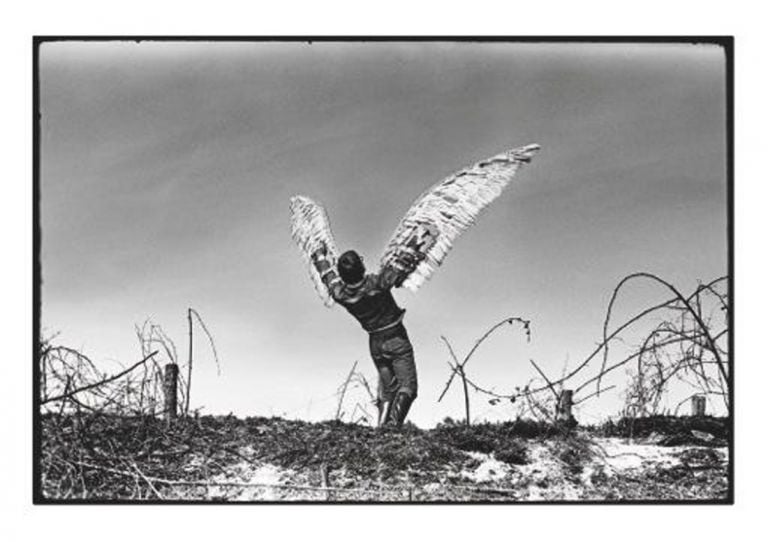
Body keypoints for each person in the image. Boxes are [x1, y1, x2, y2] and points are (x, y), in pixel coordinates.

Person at [311, 242, 423, 428]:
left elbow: (327, 277)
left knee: (389, 390)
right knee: (408, 387)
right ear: (362, 267)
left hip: (375, 344)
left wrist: (320, 256)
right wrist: (413, 245)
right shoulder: (378, 283)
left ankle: (383, 428)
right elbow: (401, 265)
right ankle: (392, 429)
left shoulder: (341, 294)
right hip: (396, 339)